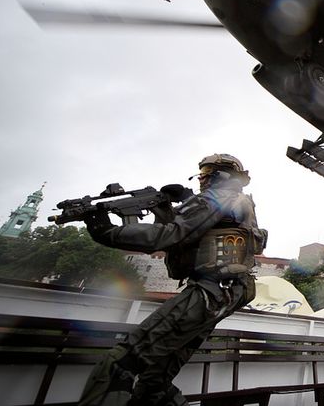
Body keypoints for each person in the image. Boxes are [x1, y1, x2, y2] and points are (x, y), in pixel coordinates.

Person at [77, 154, 267, 406]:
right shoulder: (236, 200)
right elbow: (190, 231)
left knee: (118, 366)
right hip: (228, 292)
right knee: (154, 381)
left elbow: (172, 234)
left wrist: (108, 232)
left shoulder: (220, 196)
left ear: (222, 174)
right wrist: (171, 208)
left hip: (210, 293)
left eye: (207, 171)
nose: (201, 177)